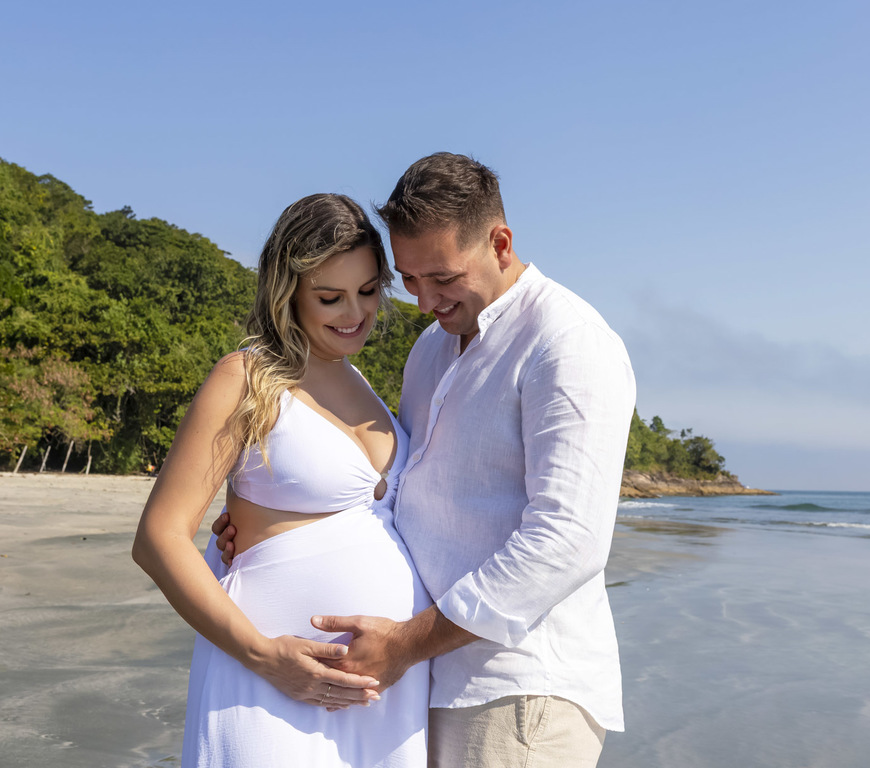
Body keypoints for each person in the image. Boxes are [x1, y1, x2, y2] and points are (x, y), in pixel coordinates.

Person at [216, 153, 636, 767]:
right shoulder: (434, 348)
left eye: (441, 277)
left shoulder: (566, 342)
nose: (423, 301)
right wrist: (256, 519)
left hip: (517, 687)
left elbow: (567, 540)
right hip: (428, 685)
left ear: (500, 242)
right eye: (410, 280)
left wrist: (408, 643)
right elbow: (394, 489)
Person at [132, 194, 431, 768]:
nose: (356, 313)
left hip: (381, 698)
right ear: (286, 290)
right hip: (272, 683)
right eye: (330, 297)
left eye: (369, 291)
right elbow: (159, 537)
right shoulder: (245, 378)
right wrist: (266, 656)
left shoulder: (362, 381)